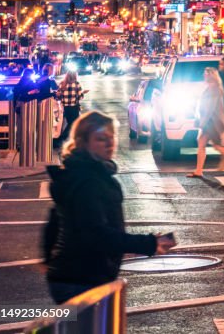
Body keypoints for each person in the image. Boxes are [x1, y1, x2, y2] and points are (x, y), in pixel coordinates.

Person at [44, 111, 175, 303]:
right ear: (83, 142)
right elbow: (96, 234)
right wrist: (148, 243)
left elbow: (55, 219)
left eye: (111, 137)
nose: (109, 143)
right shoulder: (88, 181)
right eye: (101, 139)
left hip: (75, 274)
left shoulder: (81, 173)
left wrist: (48, 257)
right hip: (81, 279)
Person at [189, 68, 224, 177]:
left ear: (211, 77)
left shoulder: (214, 89)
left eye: (206, 75)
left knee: (218, 146)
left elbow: (210, 109)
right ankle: (198, 170)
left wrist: (202, 122)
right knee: (201, 144)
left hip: (212, 122)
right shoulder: (210, 88)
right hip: (209, 121)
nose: (204, 76)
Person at [55, 71, 88, 145]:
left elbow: (59, 96)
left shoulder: (62, 83)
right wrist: (83, 93)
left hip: (66, 107)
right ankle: (59, 140)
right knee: (73, 123)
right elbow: (80, 97)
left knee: (71, 123)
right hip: (74, 107)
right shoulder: (76, 84)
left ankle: (73, 139)